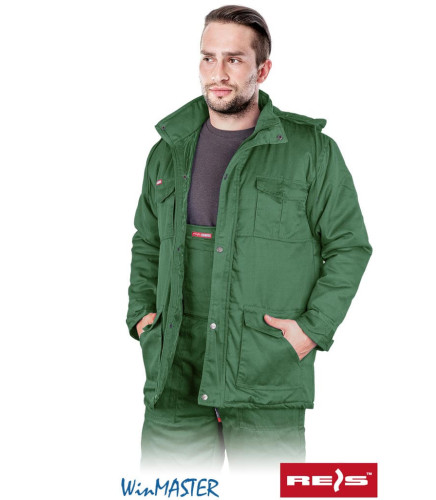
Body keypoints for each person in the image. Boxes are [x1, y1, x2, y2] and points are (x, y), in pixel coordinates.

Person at [126, 5, 372, 472]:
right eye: (208, 58)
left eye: (234, 59)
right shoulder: (167, 151)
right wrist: (142, 316)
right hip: (174, 376)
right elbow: (147, 241)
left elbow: (349, 246)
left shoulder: (311, 151)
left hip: (265, 375)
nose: (218, 73)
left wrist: (312, 331)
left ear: (263, 69)